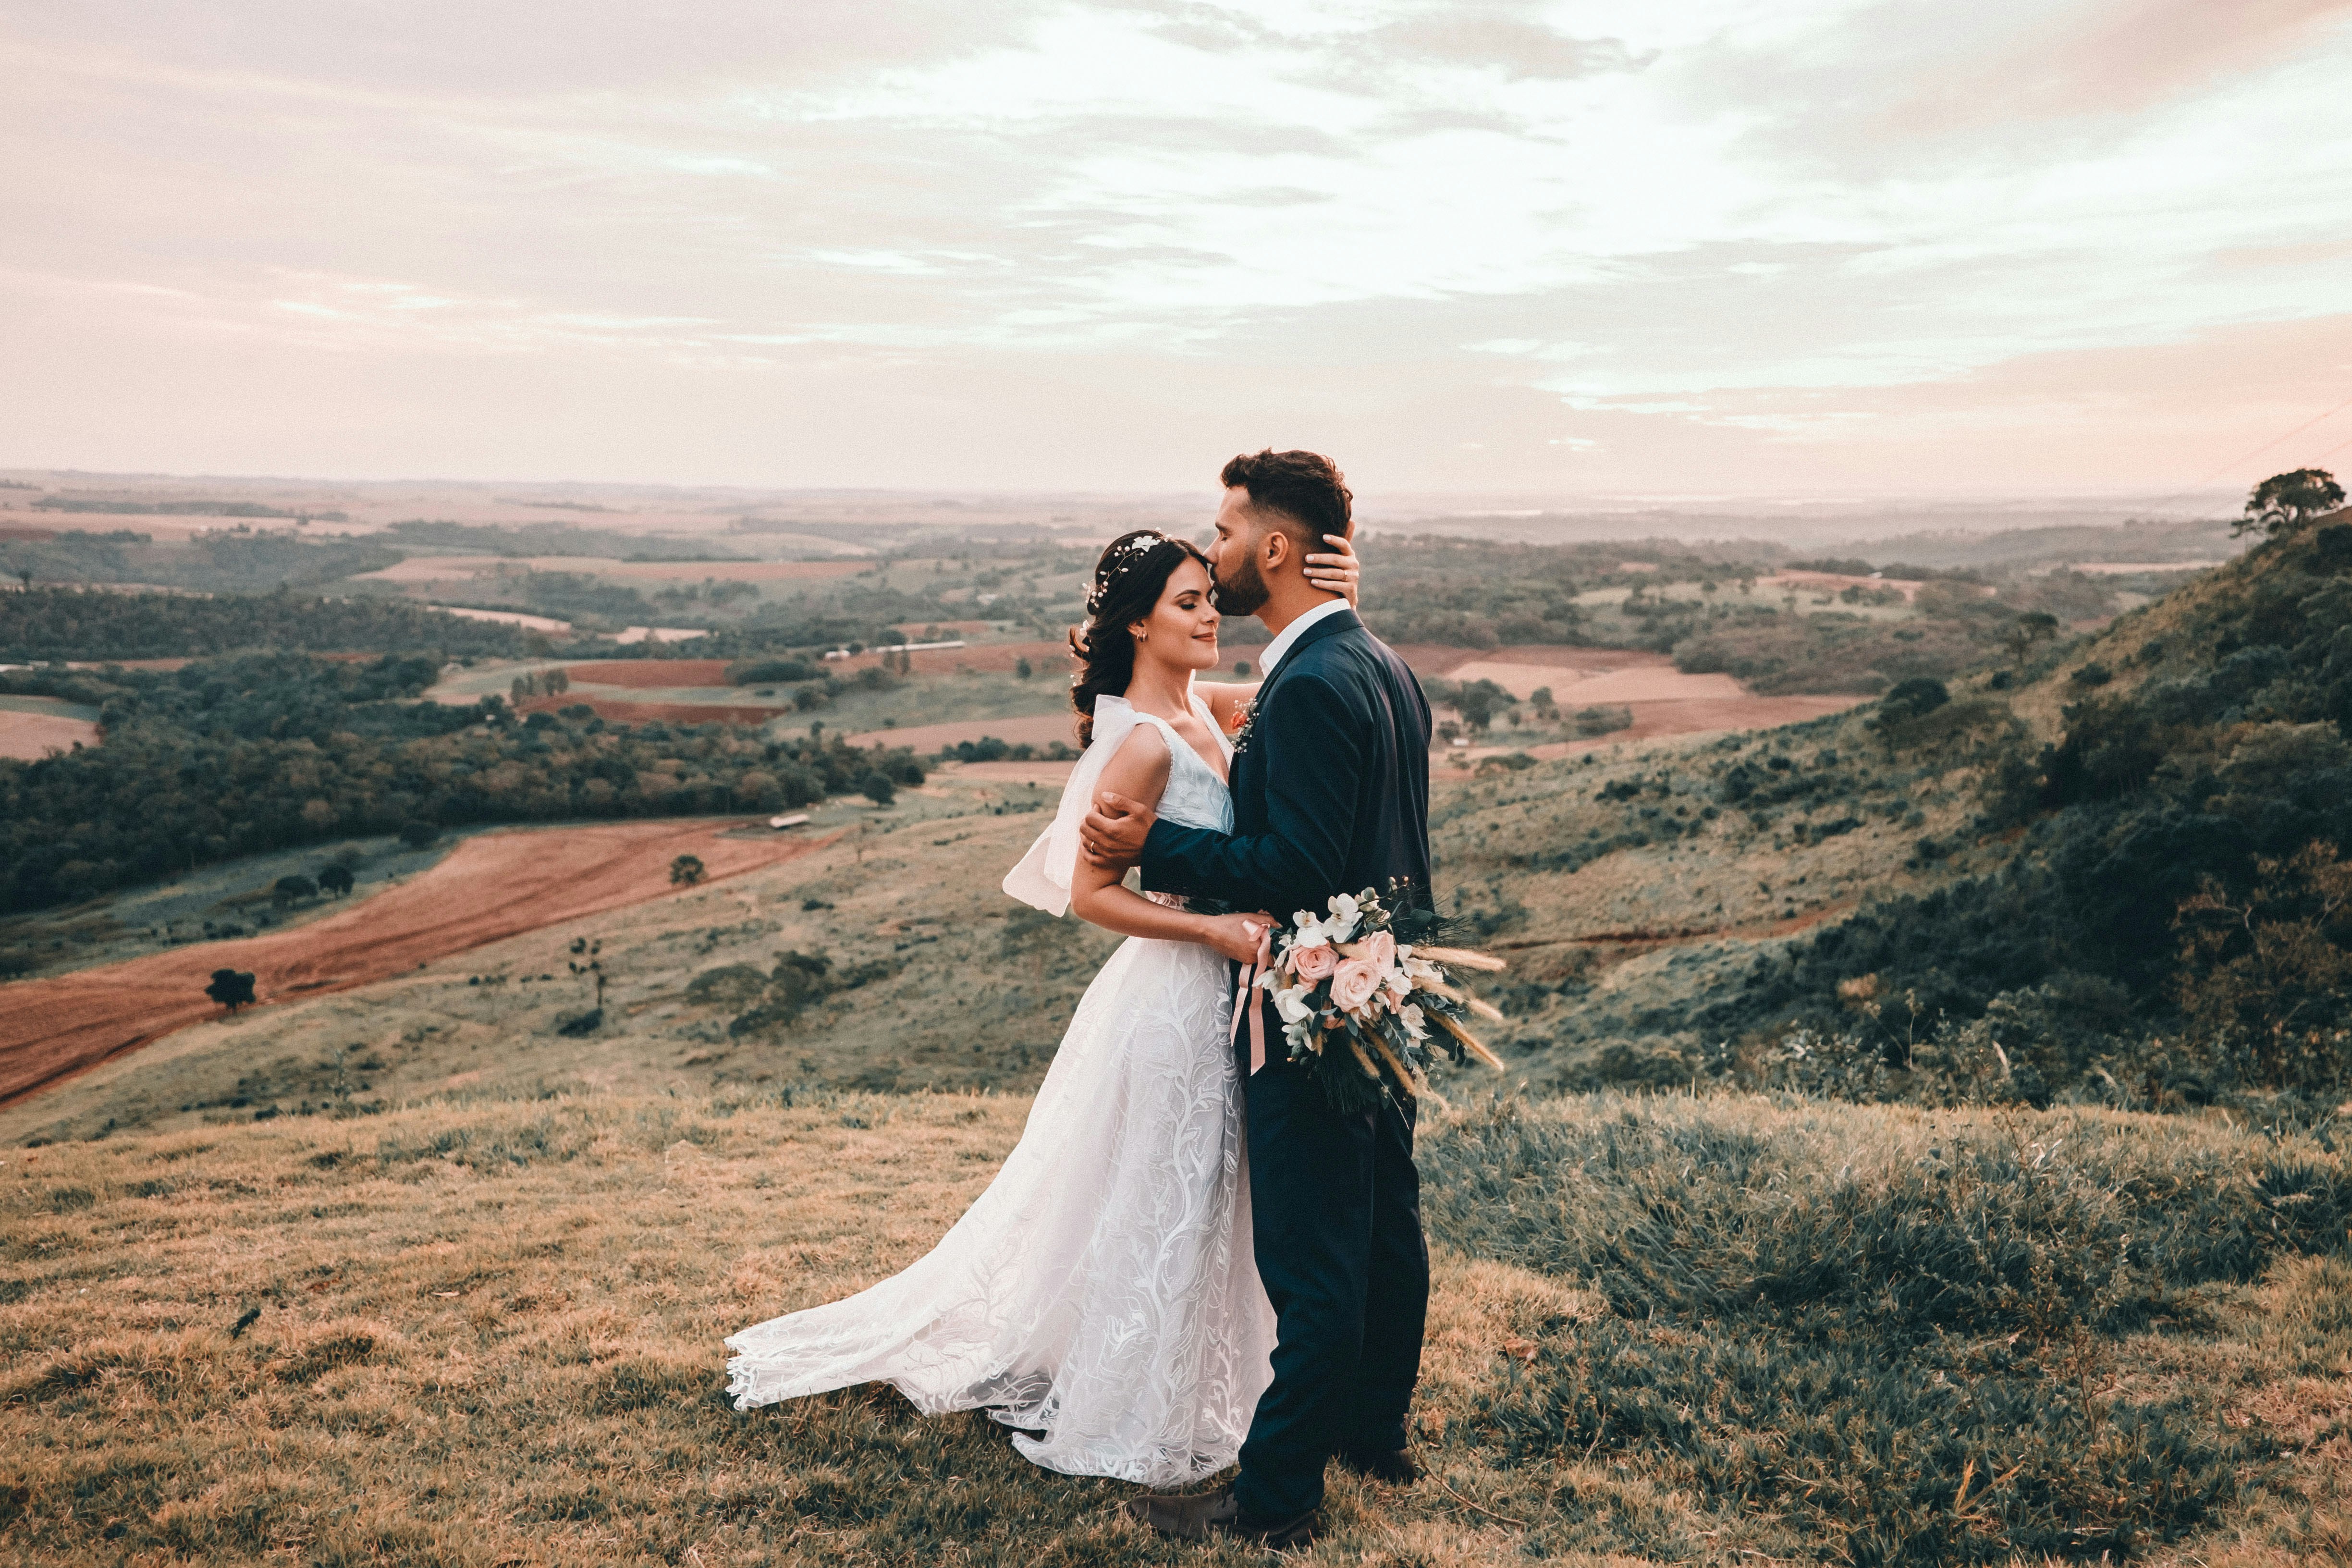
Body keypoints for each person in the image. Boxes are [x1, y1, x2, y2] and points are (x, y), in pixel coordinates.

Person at [721, 523, 1360, 1489]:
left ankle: (1202, 1386)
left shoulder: (1207, 708)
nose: (1209, 617)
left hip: (1223, 997)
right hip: (1175, 997)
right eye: (1187, 604)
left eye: (1206, 599)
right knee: (1163, 1198)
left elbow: (1310, 683)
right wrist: (1217, 932)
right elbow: (1095, 896)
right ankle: (1131, 1397)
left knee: (1204, 1194)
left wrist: (1349, 591)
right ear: (1139, 623)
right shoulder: (1141, 747)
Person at [1082, 449, 1433, 1547]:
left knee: (1316, 1254)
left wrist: (1159, 842)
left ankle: (1275, 1499)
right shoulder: (1375, 660)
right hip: (1379, 988)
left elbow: (1297, 866)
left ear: (1274, 548)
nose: (1217, 548)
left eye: (1227, 530)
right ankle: (1372, 1434)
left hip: (1313, 1001)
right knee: (1384, 1228)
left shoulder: (1319, 679)